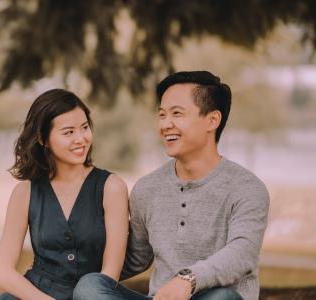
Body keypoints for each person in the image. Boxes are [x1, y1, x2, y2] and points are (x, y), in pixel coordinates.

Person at [74, 71, 270, 300]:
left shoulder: (247, 188)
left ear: (212, 120)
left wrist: (189, 279)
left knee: (222, 298)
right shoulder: (147, 188)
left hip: (214, 298)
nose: (166, 124)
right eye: (162, 115)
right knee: (90, 287)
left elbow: (242, 254)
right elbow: (135, 258)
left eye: (177, 114)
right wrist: (68, 258)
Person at [0, 89, 129, 300]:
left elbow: (109, 275)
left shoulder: (112, 187)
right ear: (43, 139)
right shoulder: (25, 192)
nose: (81, 139)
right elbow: (4, 273)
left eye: (84, 128)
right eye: (68, 132)